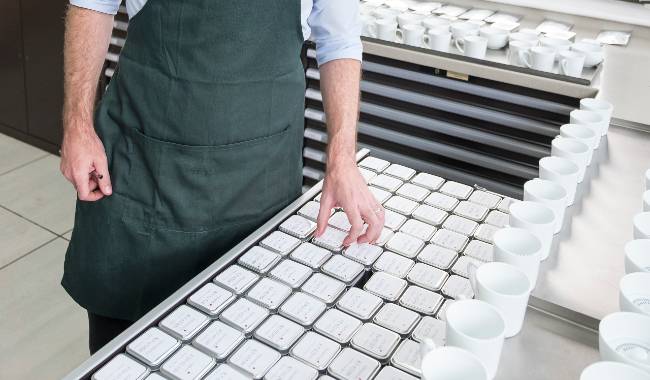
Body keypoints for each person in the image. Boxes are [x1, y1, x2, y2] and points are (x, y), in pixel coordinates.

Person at [59, 0, 385, 354]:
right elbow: (92, 5)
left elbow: (339, 41)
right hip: (146, 171)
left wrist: (342, 156)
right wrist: (76, 124)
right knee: (124, 352)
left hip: (261, 180)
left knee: (247, 346)